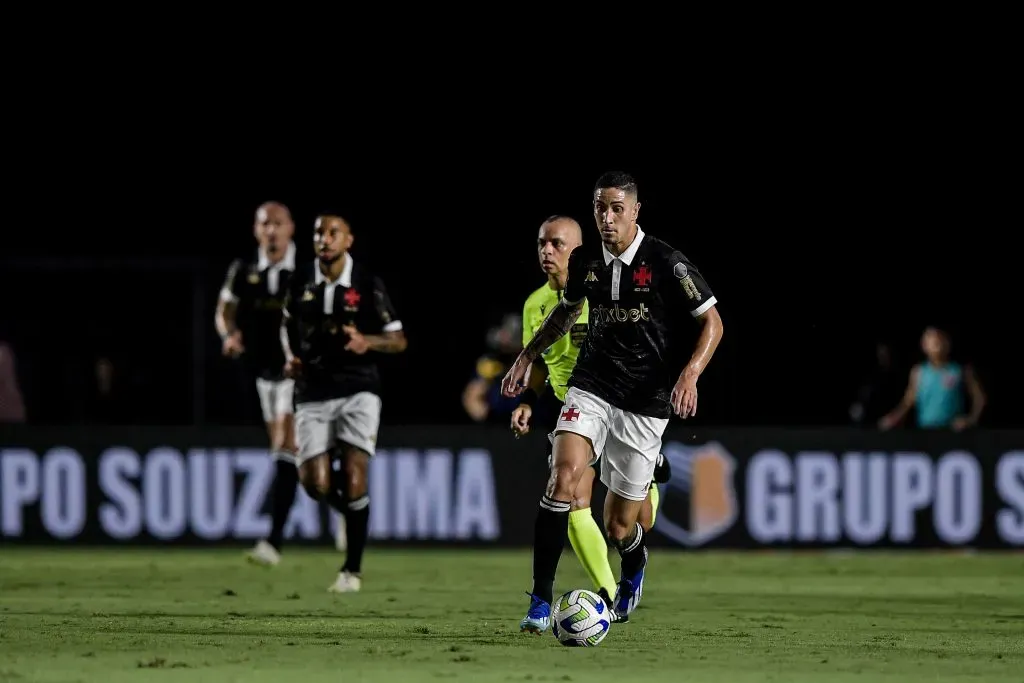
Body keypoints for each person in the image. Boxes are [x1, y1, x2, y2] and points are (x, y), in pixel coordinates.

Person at [501, 172, 724, 631]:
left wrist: (690, 374)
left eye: (617, 208)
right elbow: (566, 312)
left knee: (620, 527)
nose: (607, 217)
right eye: (600, 208)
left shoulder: (665, 262)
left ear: (635, 211)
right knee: (562, 478)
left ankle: (634, 560)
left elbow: (713, 323)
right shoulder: (585, 261)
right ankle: (540, 602)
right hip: (591, 386)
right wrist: (526, 356)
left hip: (645, 399)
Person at [509, 214, 671, 625]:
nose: (547, 251)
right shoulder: (534, 304)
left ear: (577, 250)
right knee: (567, 489)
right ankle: (592, 594)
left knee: (626, 525)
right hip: (578, 401)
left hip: (628, 406)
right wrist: (528, 398)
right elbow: (543, 361)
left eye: (557, 244)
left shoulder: (608, 286)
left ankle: (648, 473)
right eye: (542, 243)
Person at [281, 212, 407, 593]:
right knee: (314, 483)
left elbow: (398, 339)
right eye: (319, 232)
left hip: (358, 388)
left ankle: (351, 570)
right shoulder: (300, 279)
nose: (325, 238)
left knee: (354, 475)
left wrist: (367, 341)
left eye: (333, 232)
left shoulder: (366, 284)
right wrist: (290, 357)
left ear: (348, 240)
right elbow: (286, 325)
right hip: (312, 390)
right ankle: (349, 511)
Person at [216, 201, 299, 566]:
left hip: (297, 373)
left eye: (277, 223)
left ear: (290, 228)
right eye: (265, 224)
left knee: (284, 445)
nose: (271, 230)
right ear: (256, 230)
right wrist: (229, 334)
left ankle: (273, 542)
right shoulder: (244, 270)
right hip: (263, 374)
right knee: (294, 461)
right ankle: (344, 501)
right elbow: (224, 311)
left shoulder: (306, 271)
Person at [879, 326, 986, 431]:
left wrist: (971, 419)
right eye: (931, 338)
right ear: (924, 345)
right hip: (925, 431)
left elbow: (979, 398)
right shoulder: (919, 372)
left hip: (953, 432)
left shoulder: (961, 370)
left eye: (940, 337)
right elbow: (908, 400)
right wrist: (893, 418)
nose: (936, 340)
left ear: (948, 343)